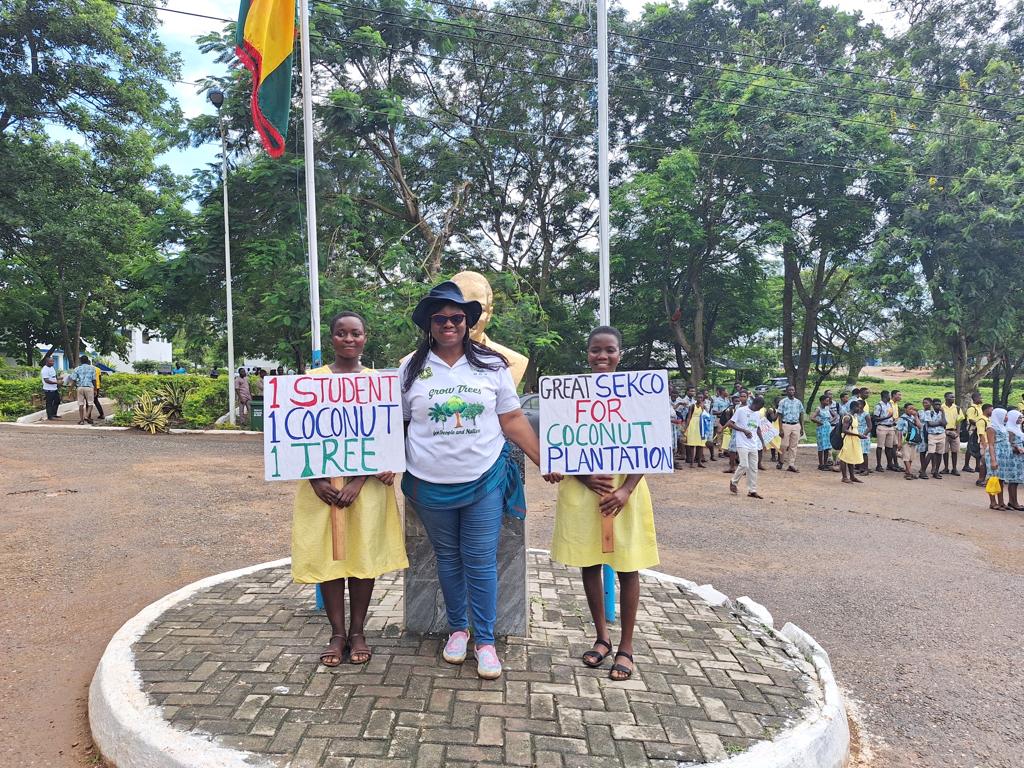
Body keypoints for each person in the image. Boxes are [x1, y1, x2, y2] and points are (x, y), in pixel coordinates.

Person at [399, 281, 543, 680]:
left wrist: (543, 459)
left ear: (468, 321)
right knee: (448, 560)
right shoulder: (410, 368)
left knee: (480, 562)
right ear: (429, 323)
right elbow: (395, 424)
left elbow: (512, 420)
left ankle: (485, 641)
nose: (449, 324)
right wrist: (380, 464)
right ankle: (457, 629)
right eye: (441, 318)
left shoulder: (493, 365)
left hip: (482, 480)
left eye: (457, 317)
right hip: (428, 483)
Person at [292, 312, 408, 667]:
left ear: (364, 338)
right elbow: (299, 436)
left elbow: (386, 435)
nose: (348, 339)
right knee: (329, 558)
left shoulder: (380, 384)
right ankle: (337, 633)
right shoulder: (311, 381)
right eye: (341, 333)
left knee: (362, 557)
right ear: (332, 339)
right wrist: (316, 480)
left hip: (367, 489)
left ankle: (358, 630)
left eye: (355, 333)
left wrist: (359, 480)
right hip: (321, 488)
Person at [550, 325, 658, 683]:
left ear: (620, 353)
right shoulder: (570, 395)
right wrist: (582, 477)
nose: (602, 356)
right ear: (587, 352)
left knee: (628, 567)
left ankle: (626, 646)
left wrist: (626, 489)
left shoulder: (637, 394)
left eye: (609, 350)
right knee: (589, 563)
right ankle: (602, 637)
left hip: (625, 493)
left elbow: (650, 444)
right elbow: (560, 442)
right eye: (596, 350)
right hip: (584, 493)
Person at [727, 395, 766, 499]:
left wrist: (762, 442)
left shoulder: (757, 413)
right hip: (742, 442)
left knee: (753, 468)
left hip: (753, 443)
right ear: (756, 403)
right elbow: (730, 424)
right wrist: (743, 430)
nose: (760, 409)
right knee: (744, 465)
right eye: (760, 406)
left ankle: (752, 490)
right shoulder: (741, 410)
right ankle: (733, 481)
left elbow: (757, 429)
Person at [838, 399, 867, 484]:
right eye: (858, 407)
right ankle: (844, 477)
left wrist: (859, 435)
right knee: (844, 457)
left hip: (853, 439)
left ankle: (852, 476)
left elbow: (853, 428)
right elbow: (844, 430)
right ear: (854, 407)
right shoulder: (847, 417)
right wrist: (858, 435)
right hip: (848, 439)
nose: (860, 409)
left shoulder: (854, 416)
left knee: (851, 457)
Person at [777, 385, 804, 473]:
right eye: (789, 390)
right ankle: (781, 461)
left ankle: (791, 464)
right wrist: (780, 429)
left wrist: (802, 428)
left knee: (793, 446)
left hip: (796, 425)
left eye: (793, 390)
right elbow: (780, 416)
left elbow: (801, 414)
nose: (791, 392)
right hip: (786, 424)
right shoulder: (783, 402)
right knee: (783, 445)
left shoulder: (798, 402)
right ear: (786, 391)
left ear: (794, 391)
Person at [919, 397, 947, 479]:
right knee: (931, 453)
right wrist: (940, 423)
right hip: (932, 435)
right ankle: (923, 471)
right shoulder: (929, 413)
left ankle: (936, 471)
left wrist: (943, 413)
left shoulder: (942, 413)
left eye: (939, 404)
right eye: (936, 404)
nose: (938, 406)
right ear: (933, 405)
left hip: (941, 434)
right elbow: (930, 424)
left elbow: (945, 423)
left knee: (939, 454)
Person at [986, 409, 1008, 510]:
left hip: (1003, 455)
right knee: (993, 478)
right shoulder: (991, 428)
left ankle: (1001, 501)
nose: (1007, 417)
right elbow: (990, 445)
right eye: (1005, 415)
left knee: (1001, 479)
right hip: (995, 453)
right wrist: (993, 460)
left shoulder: (1003, 426)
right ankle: (993, 502)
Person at [873, 391, 898, 472]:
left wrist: (892, 420)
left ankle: (889, 464)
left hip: (890, 427)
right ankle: (879, 465)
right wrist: (887, 417)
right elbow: (875, 418)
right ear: (885, 396)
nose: (890, 397)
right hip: (882, 427)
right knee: (880, 447)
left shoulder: (889, 404)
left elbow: (890, 415)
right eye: (889, 395)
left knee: (889, 447)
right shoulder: (878, 405)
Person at [895, 403, 921, 480]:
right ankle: (909, 473)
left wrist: (916, 416)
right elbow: (899, 431)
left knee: (911, 457)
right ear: (905, 409)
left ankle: (907, 472)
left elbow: (920, 426)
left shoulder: (913, 417)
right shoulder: (902, 419)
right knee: (906, 456)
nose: (912, 410)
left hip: (913, 439)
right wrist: (899, 442)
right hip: (905, 440)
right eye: (910, 409)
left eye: (913, 409)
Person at [1004, 410, 1024, 510]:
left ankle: (1013, 501)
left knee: (1016, 481)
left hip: (1019, 458)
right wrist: (1017, 448)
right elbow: (1008, 444)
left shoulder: (1017, 429)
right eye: (1018, 418)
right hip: (1014, 458)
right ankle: (1013, 502)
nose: (1020, 419)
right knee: (1013, 480)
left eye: (1021, 418)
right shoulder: (1010, 430)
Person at [69, 355, 97, 425]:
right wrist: (95, 389)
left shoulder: (77, 369)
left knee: (80, 404)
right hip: (89, 387)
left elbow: (73, 380)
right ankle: (87, 416)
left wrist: (70, 390)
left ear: (80, 361)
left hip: (80, 387)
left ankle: (81, 420)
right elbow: (94, 380)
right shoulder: (92, 368)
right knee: (90, 403)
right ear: (88, 361)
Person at [683, 395, 707, 468]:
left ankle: (699, 462)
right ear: (696, 398)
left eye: (701, 397)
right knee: (692, 445)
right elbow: (689, 417)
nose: (700, 399)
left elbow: (706, 416)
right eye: (698, 397)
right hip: (693, 425)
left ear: (703, 399)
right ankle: (692, 463)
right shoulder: (692, 406)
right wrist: (685, 428)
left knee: (700, 445)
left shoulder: (703, 406)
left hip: (701, 426)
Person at [811, 395, 833, 470]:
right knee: (821, 447)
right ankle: (821, 464)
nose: (828, 402)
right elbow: (812, 418)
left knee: (827, 447)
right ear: (822, 401)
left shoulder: (827, 408)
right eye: (826, 400)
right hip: (821, 429)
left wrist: (830, 422)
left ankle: (825, 463)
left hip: (828, 428)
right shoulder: (818, 409)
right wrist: (820, 422)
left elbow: (835, 416)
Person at [963, 392, 984, 473]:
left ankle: (977, 466)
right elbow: (971, 420)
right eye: (980, 397)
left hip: (978, 430)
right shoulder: (972, 408)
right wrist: (980, 424)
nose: (981, 399)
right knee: (970, 447)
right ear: (975, 398)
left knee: (977, 447)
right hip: (972, 430)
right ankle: (966, 465)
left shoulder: (980, 407)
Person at [974, 403, 993, 488]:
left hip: (989, 443)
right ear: (986, 410)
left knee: (986, 462)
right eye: (991, 409)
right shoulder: (982, 420)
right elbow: (981, 434)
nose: (992, 411)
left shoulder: (988, 419)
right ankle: (980, 479)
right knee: (983, 462)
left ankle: (984, 479)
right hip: (985, 443)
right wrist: (985, 446)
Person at [40, 354, 61, 420]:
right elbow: (46, 380)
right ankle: (50, 416)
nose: (53, 363)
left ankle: (54, 414)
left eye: (53, 361)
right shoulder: (44, 370)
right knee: (49, 403)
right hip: (48, 389)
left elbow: (54, 377)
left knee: (57, 401)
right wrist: (56, 382)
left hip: (54, 388)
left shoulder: (52, 368)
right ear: (47, 362)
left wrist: (60, 378)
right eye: (51, 362)